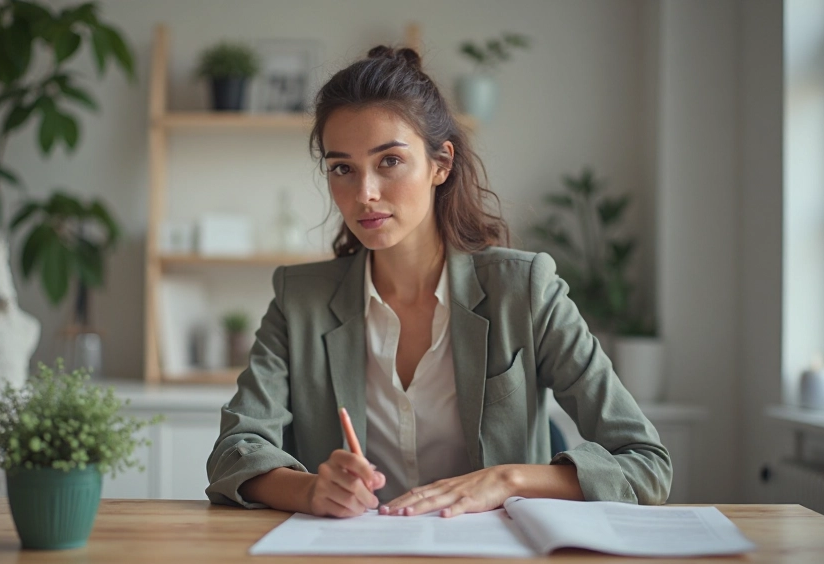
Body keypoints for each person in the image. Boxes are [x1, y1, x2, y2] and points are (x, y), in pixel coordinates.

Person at [205, 46, 671, 518]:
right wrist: (309, 490)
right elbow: (232, 454)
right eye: (342, 168)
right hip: (351, 560)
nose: (364, 193)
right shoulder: (298, 299)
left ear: (440, 164)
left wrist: (506, 479)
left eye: (389, 161)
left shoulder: (526, 290)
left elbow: (646, 463)